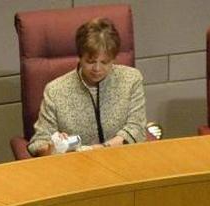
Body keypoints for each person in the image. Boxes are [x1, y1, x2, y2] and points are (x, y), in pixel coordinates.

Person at [28, 18, 147, 156]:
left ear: (114, 59)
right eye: (90, 61)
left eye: (104, 62)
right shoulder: (55, 90)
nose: (97, 68)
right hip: (74, 167)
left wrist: (103, 148)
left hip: (123, 160)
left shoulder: (131, 79)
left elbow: (136, 129)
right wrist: (52, 148)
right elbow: (38, 142)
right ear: (80, 57)